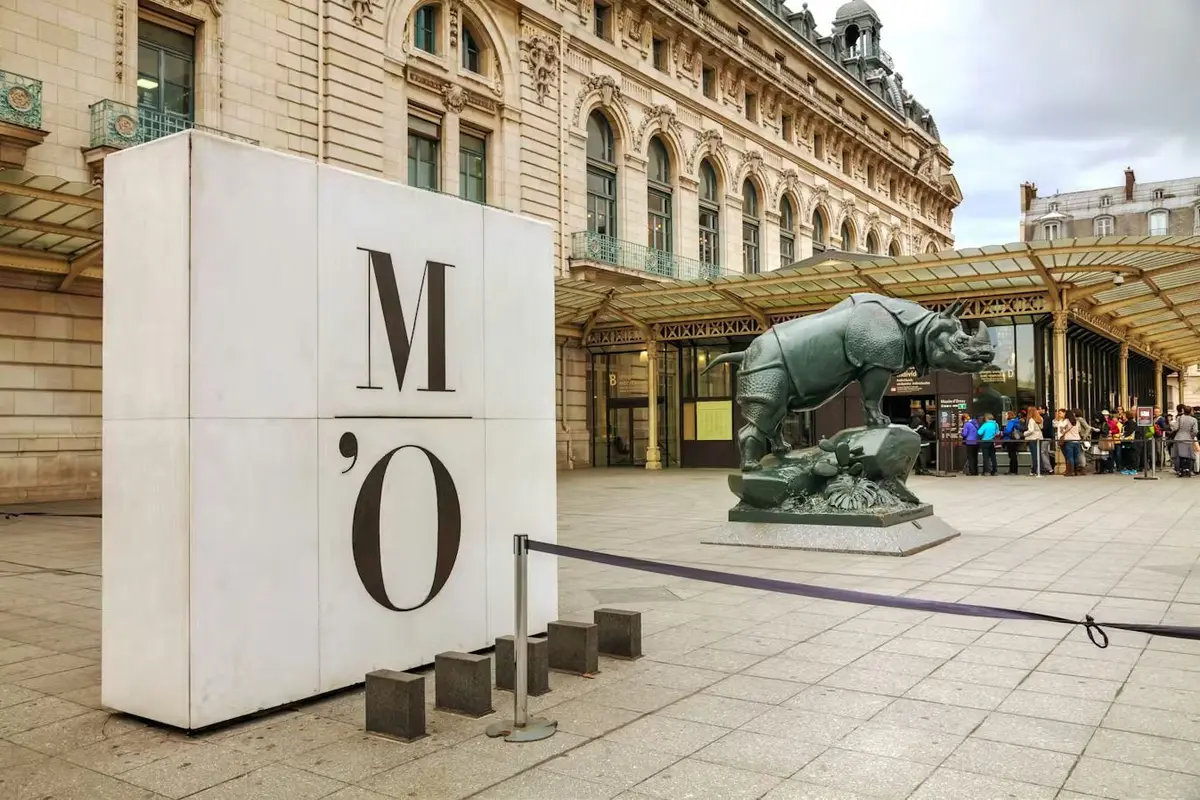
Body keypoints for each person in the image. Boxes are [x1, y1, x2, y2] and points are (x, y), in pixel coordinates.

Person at [1173, 406, 1198, 477]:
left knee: (1179, 455)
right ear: (1191, 411)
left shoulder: (1179, 418)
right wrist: (1191, 436)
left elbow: (1175, 428)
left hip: (1179, 438)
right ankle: (1188, 469)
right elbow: (1195, 431)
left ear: (1183, 410)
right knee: (1188, 454)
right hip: (1188, 438)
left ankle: (1180, 470)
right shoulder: (1194, 420)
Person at [1026, 407, 1051, 475]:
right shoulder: (1040, 418)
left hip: (1033, 438)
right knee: (1039, 454)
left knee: (1034, 455)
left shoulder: (1031, 420)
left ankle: (1034, 469)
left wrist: (1025, 433)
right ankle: (1041, 469)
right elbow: (1042, 427)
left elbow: (1031, 430)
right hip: (1039, 437)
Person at [1061, 410, 1083, 477]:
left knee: (1070, 457)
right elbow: (1079, 430)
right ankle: (1076, 471)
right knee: (1076, 456)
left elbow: (1061, 427)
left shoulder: (1067, 421)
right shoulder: (1077, 421)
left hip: (1069, 440)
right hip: (1077, 440)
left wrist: (1063, 431)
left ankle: (1071, 471)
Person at [1002, 410, 1025, 475]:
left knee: (1012, 456)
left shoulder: (1011, 422)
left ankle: (1013, 471)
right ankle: (1014, 470)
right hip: (1015, 440)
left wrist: (1004, 431)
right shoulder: (1016, 421)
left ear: (1009, 415)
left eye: (1006, 415)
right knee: (1013, 455)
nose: (1005, 416)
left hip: (1010, 440)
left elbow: (1008, 431)